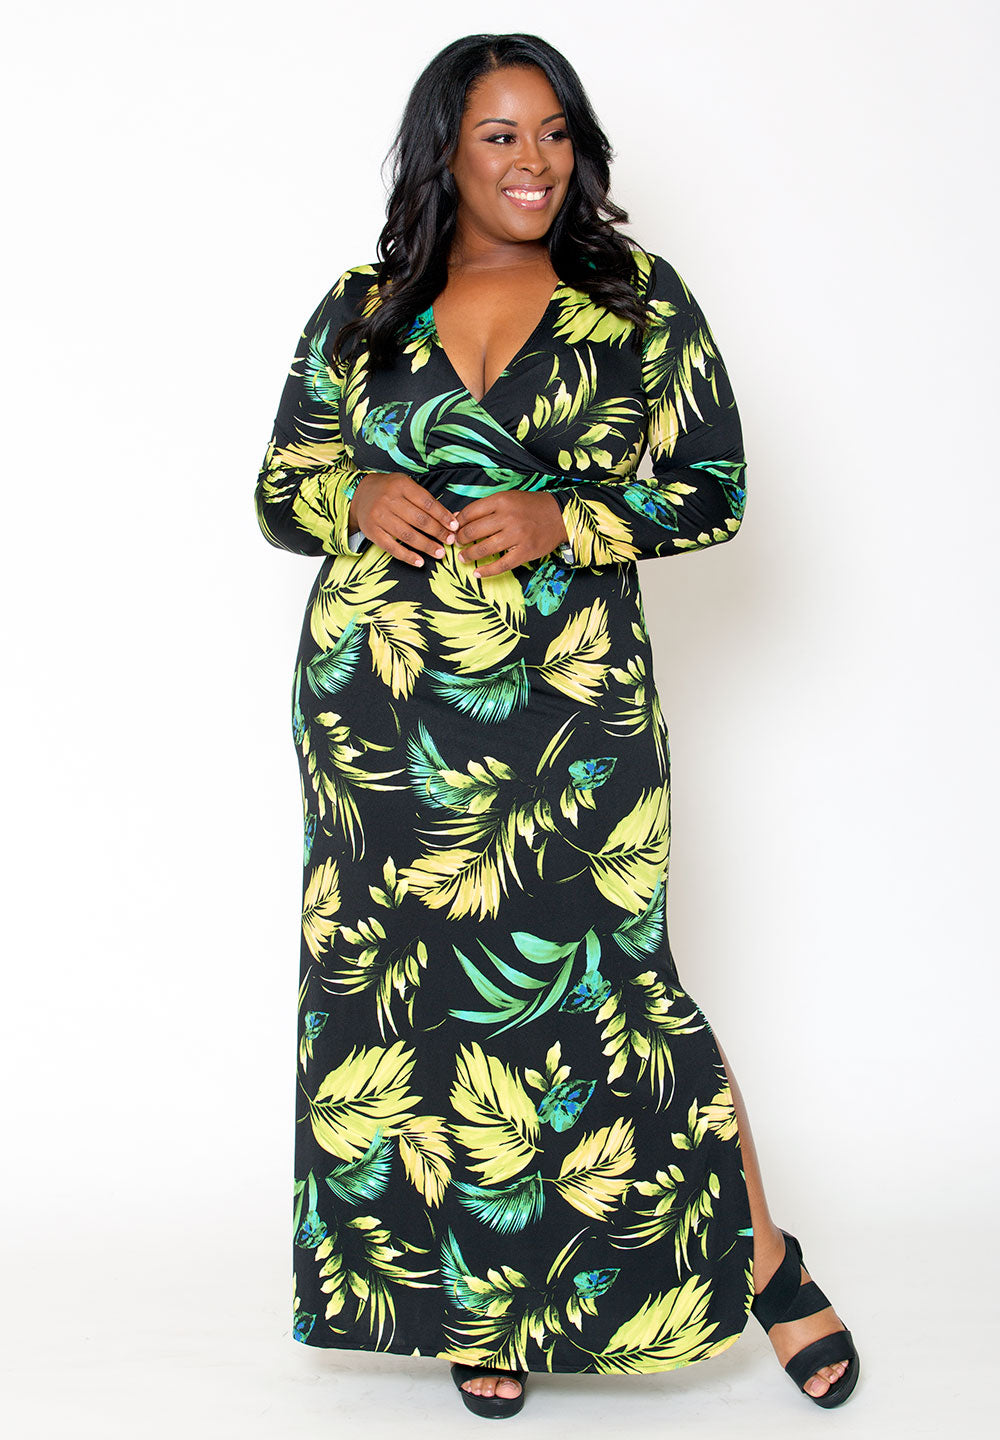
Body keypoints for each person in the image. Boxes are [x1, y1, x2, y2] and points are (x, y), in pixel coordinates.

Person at [254, 32, 859, 1420]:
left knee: (620, 987)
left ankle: (765, 1257)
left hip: (572, 705)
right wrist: (352, 496)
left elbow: (713, 487)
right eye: (500, 136)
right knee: (419, 1004)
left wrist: (567, 518)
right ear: (445, 152)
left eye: (554, 133)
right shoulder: (362, 310)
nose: (533, 162)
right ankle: (490, 1304)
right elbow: (281, 488)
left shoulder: (636, 300)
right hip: (380, 715)